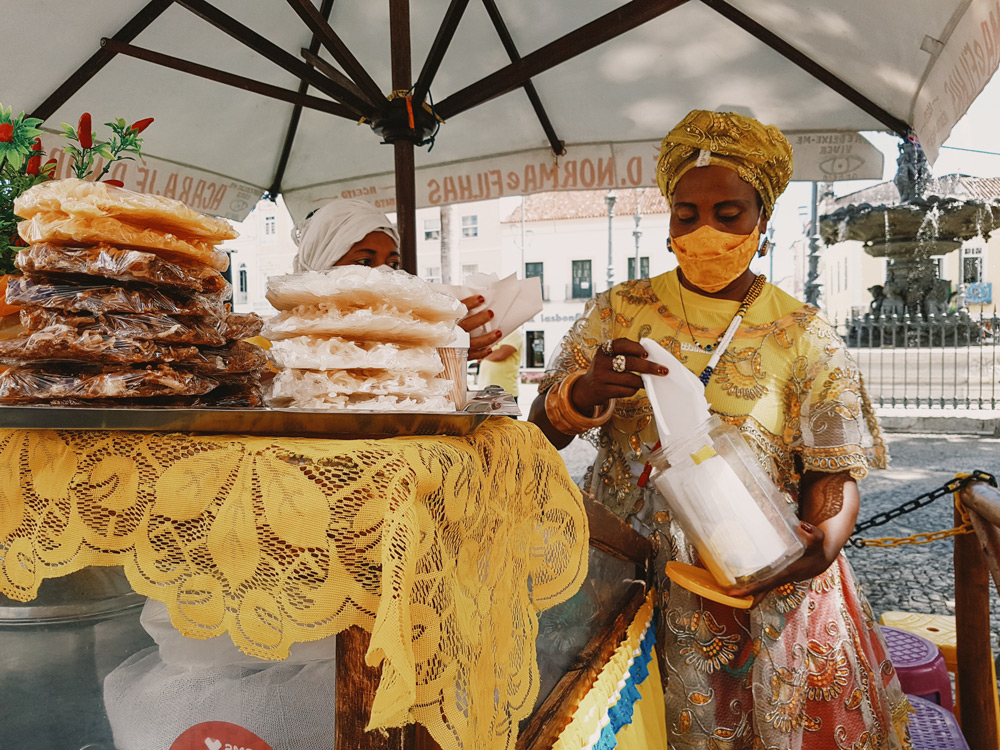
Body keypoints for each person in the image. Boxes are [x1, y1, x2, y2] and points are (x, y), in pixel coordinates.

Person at [529, 110, 911, 749]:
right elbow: (540, 432)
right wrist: (587, 389)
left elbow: (832, 471)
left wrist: (818, 547)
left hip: (756, 576)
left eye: (727, 215)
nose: (705, 230)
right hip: (626, 576)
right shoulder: (619, 311)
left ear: (761, 222)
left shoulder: (801, 333)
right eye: (686, 214)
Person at [291, 199, 501, 360]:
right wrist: (425, 349)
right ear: (320, 266)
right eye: (364, 262)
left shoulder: (405, 330)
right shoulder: (281, 347)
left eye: (393, 265)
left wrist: (435, 348)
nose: (383, 273)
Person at [476, 328, 523, 398]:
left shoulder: (513, 333)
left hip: (504, 393)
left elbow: (500, 354)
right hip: (485, 392)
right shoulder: (493, 335)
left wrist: (482, 356)